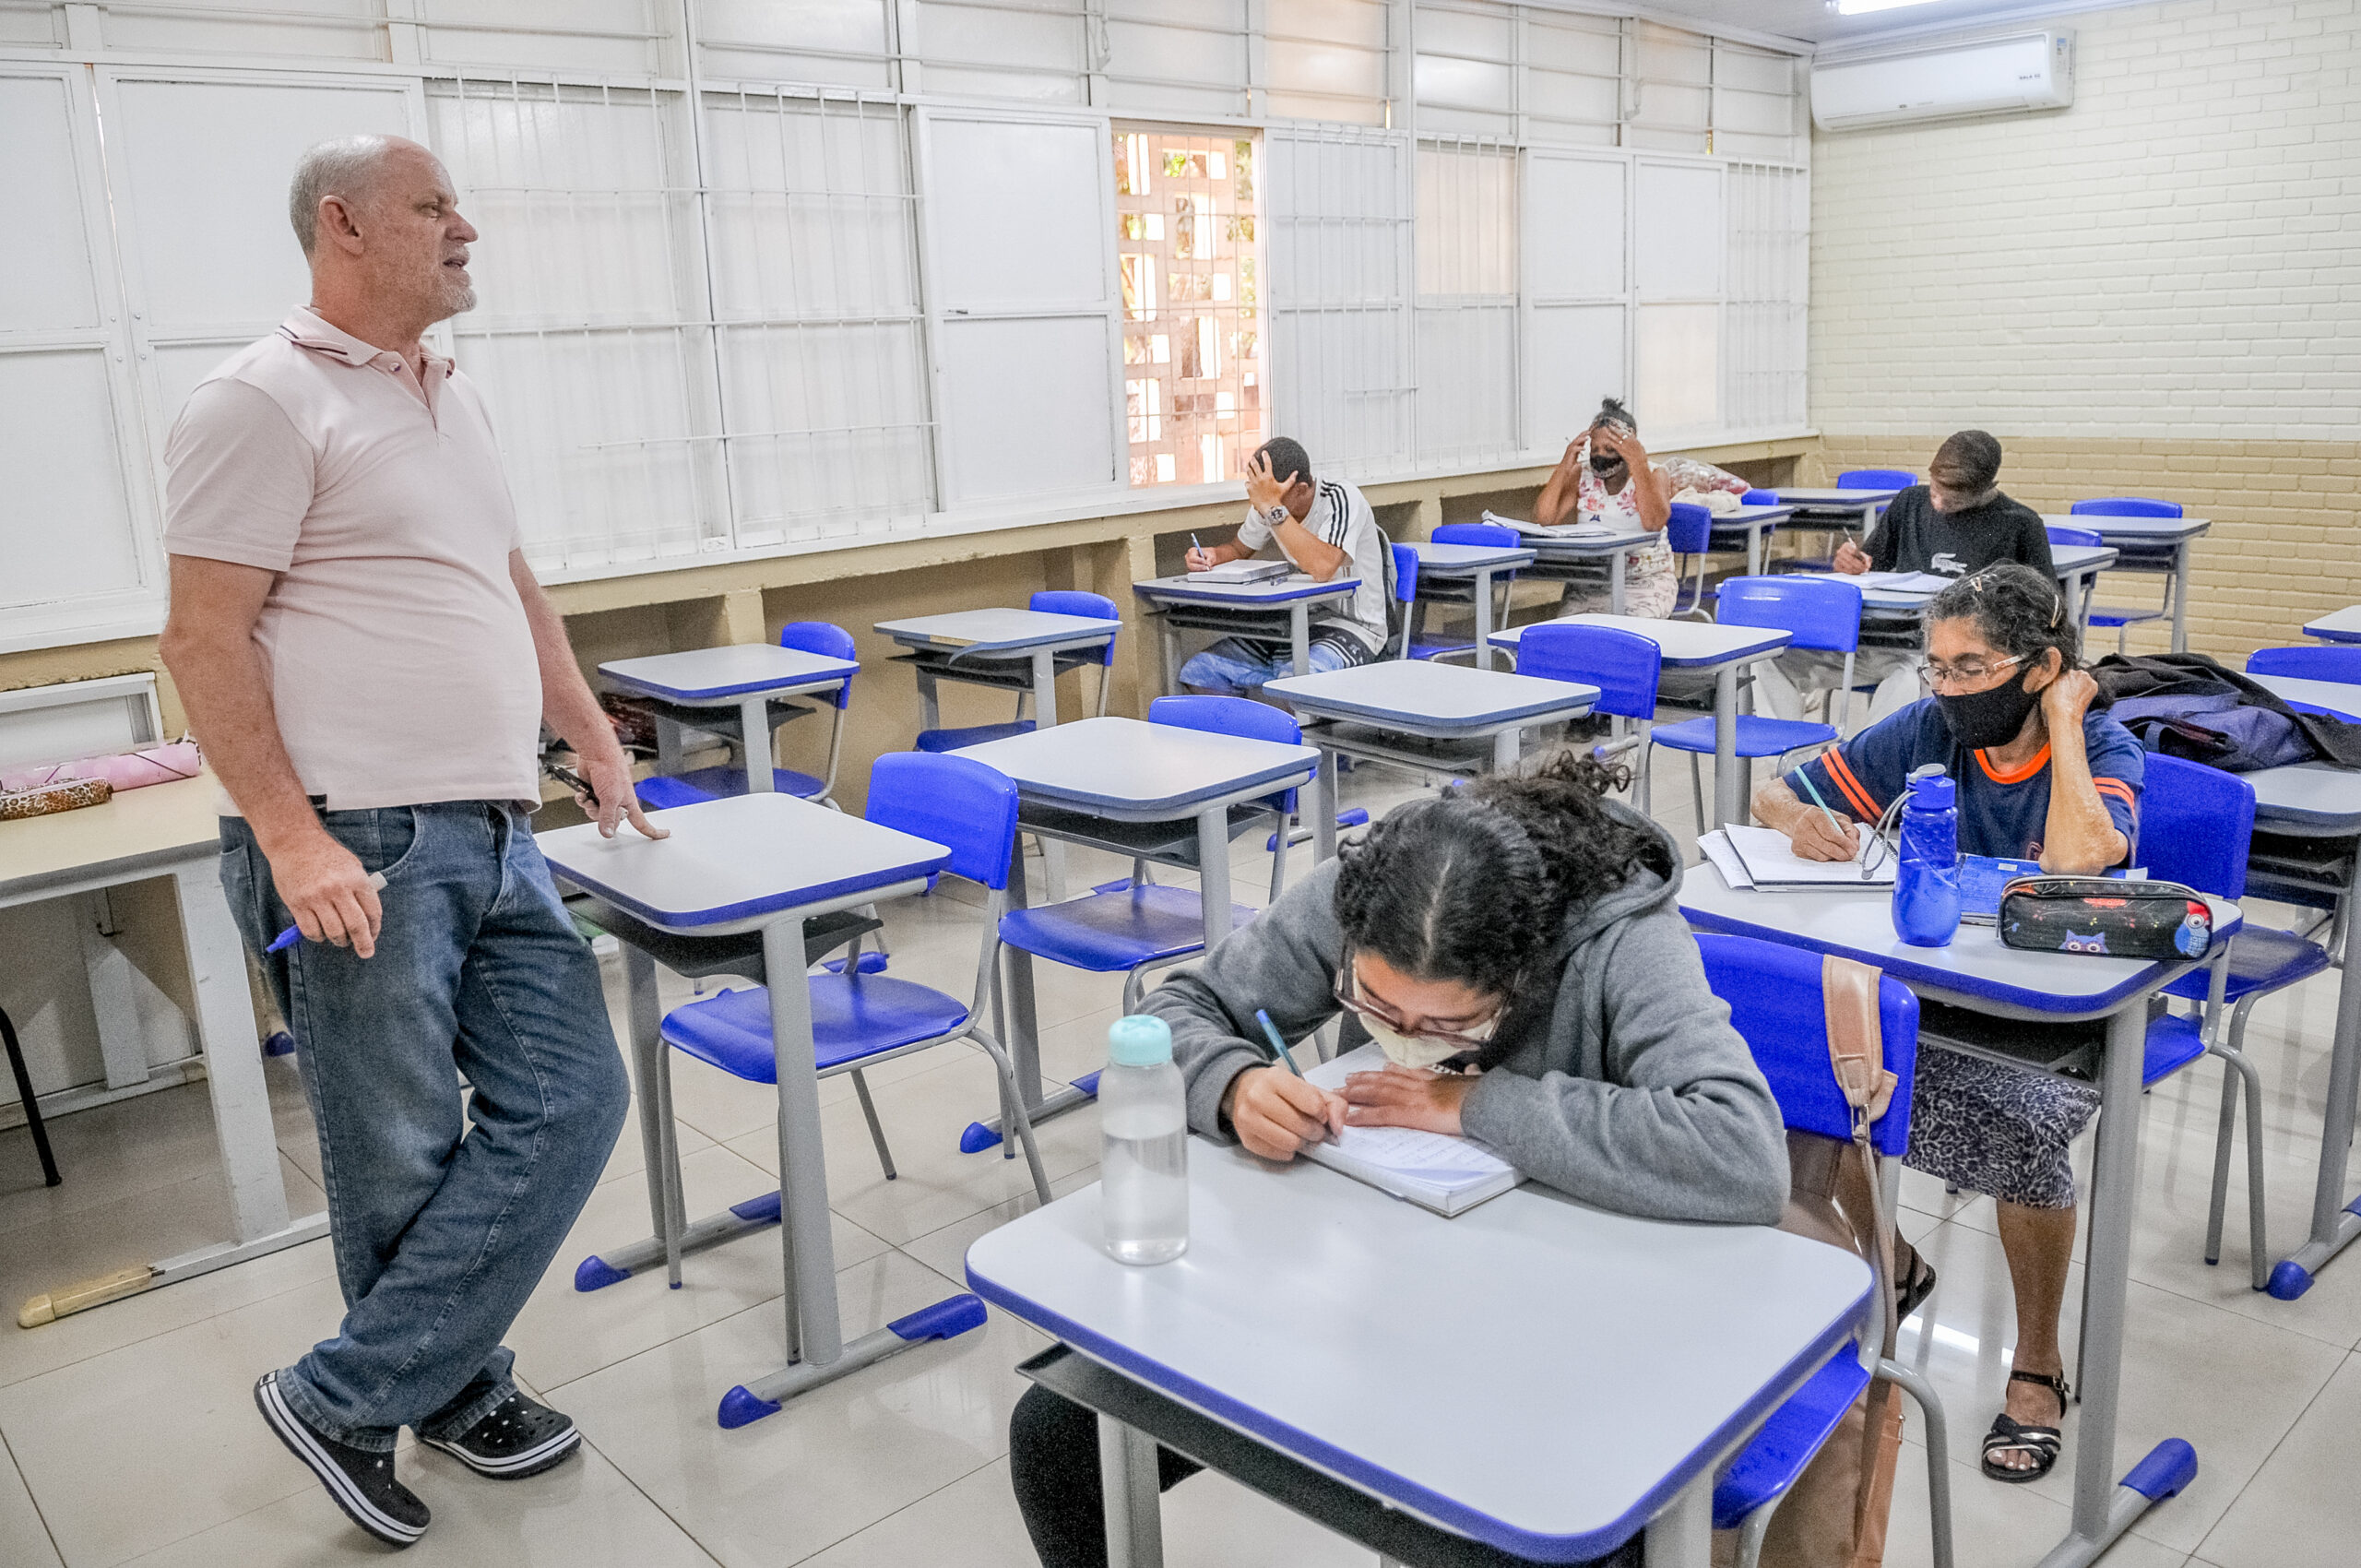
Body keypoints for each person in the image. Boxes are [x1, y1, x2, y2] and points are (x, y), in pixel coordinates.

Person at [159, 134, 656, 1549]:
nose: (466, 227)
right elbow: (202, 639)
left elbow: (508, 584)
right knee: (399, 1152)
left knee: (570, 1098)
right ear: (346, 225)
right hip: (359, 836)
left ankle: (352, 1393)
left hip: (493, 820)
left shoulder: (450, 395)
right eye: (434, 206)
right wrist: (294, 838)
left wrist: (587, 729)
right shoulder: (261, 398)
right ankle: (445, 1390)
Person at [1007, 752, 1790, 1567]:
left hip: (1549, 1325)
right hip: (1372, 1283)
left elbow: (1740, 1150)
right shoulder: (1367, 896)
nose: (1406, 1039)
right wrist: (1232, 1083)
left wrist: (1476, 1104)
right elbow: (1183, 1008)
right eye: (1377, 1007)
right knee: (1060, 1434)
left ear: (1522, 971)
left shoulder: (1625, 941)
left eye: (1450, 1024)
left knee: (1533, 1537)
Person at [1750, 562, 2143, 1488]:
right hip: (1932, 985)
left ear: (2039, 667)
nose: (1946, 687)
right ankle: (1891, 1258)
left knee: (2025, 1124)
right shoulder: (1929, 727)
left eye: (1971, 668)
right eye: (1936, 666)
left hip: (2057, 1012)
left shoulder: (2103, 746)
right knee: (1799, 1069)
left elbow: (2083, 857)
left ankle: (2037, 1360)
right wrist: (1800, 819)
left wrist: (2063, 722)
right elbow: (1773, 790)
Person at [1760, 431, 2056, 725]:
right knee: (1770, 660)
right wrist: (1849, 563)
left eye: (1951, 501)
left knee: (1911, 674)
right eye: (1935, 491)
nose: (1938, 503)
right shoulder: (1909, 503)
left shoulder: (2020, 524)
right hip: (1884, 640)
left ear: (1986, 489)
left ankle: (1872, 763)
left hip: (1948, 652)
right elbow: (1869, 567)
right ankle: (1794, 762)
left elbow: (2048, 609)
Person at [1178, 436, 1390, 693]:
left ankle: (1296, 734)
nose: (1257, 502)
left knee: (1294, 682)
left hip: (1355, 628)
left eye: (1265, 494)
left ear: (1300, 489)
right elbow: (1238, 549)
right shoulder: (1269, 505)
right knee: (1200, 673)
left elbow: (1323, 567)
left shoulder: (1341, 497)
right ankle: (1246, 733)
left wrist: (1273, 508)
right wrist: (1212, 555)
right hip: (1295, 624)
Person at [1531, 397, 1750, 620]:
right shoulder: (1583, 475)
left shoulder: (1654, 473)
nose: (1601, 455)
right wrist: (1565, 463)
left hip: (1645, 583)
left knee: (1626, 637)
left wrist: (1638, 463)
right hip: (1591, 583)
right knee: (1567, 639)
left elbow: (1654, 522)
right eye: (1595, 448)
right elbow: (1544, 519)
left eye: (1609, 448)